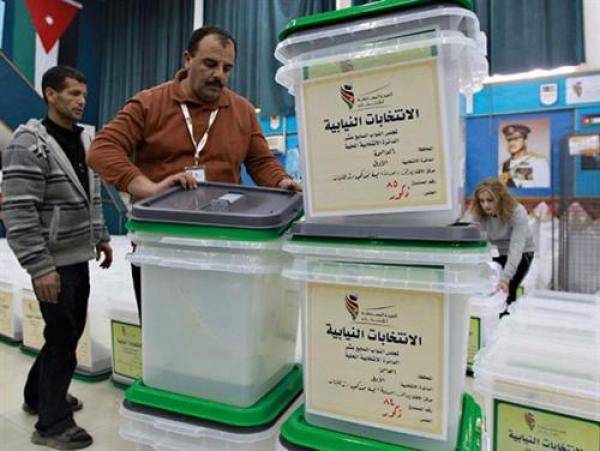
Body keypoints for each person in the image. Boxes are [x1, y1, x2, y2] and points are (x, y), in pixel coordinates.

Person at [86, 26, 300, 316]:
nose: (219, 75)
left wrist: (282, 181)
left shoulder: (243, 111)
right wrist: (147, 187)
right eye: (210, 64)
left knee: (221, 330)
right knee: (164, 333)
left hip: (223, 247)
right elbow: (101, 149)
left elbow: (261, 162)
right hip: (160, 247)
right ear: (187, 59)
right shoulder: (149, 103)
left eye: (227, 68)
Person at [1, 66, 112, 450]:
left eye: (84, 94)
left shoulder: (84, 139)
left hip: (78, 256)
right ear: (50, 94)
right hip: (53, 263)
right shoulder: (27, 144)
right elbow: (19, 212)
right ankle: (52, 424)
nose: (81, 101)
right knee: (63, 339)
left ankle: (38, 396)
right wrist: (40, 267)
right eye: (73, 94)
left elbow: (91, 194)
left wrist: (101, 236)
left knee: (65, 333)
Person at [471, 178, 535, 312]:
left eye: (490, 200)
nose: (485, 205)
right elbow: (474, 240)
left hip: (522, 252)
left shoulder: (517, 212)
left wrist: (506, 279)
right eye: (482, 201)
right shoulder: (479, 213)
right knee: (491, 289)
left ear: (500, 198)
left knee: (507, 292)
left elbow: (516, 248)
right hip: (498, 251)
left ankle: (506, 321)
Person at [499, 124, 550, 188]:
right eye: (509, 140)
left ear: (525, 141)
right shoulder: (502, 167)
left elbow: (544, 188)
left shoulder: (538, 162)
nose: (511, 143)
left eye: (516, 139)